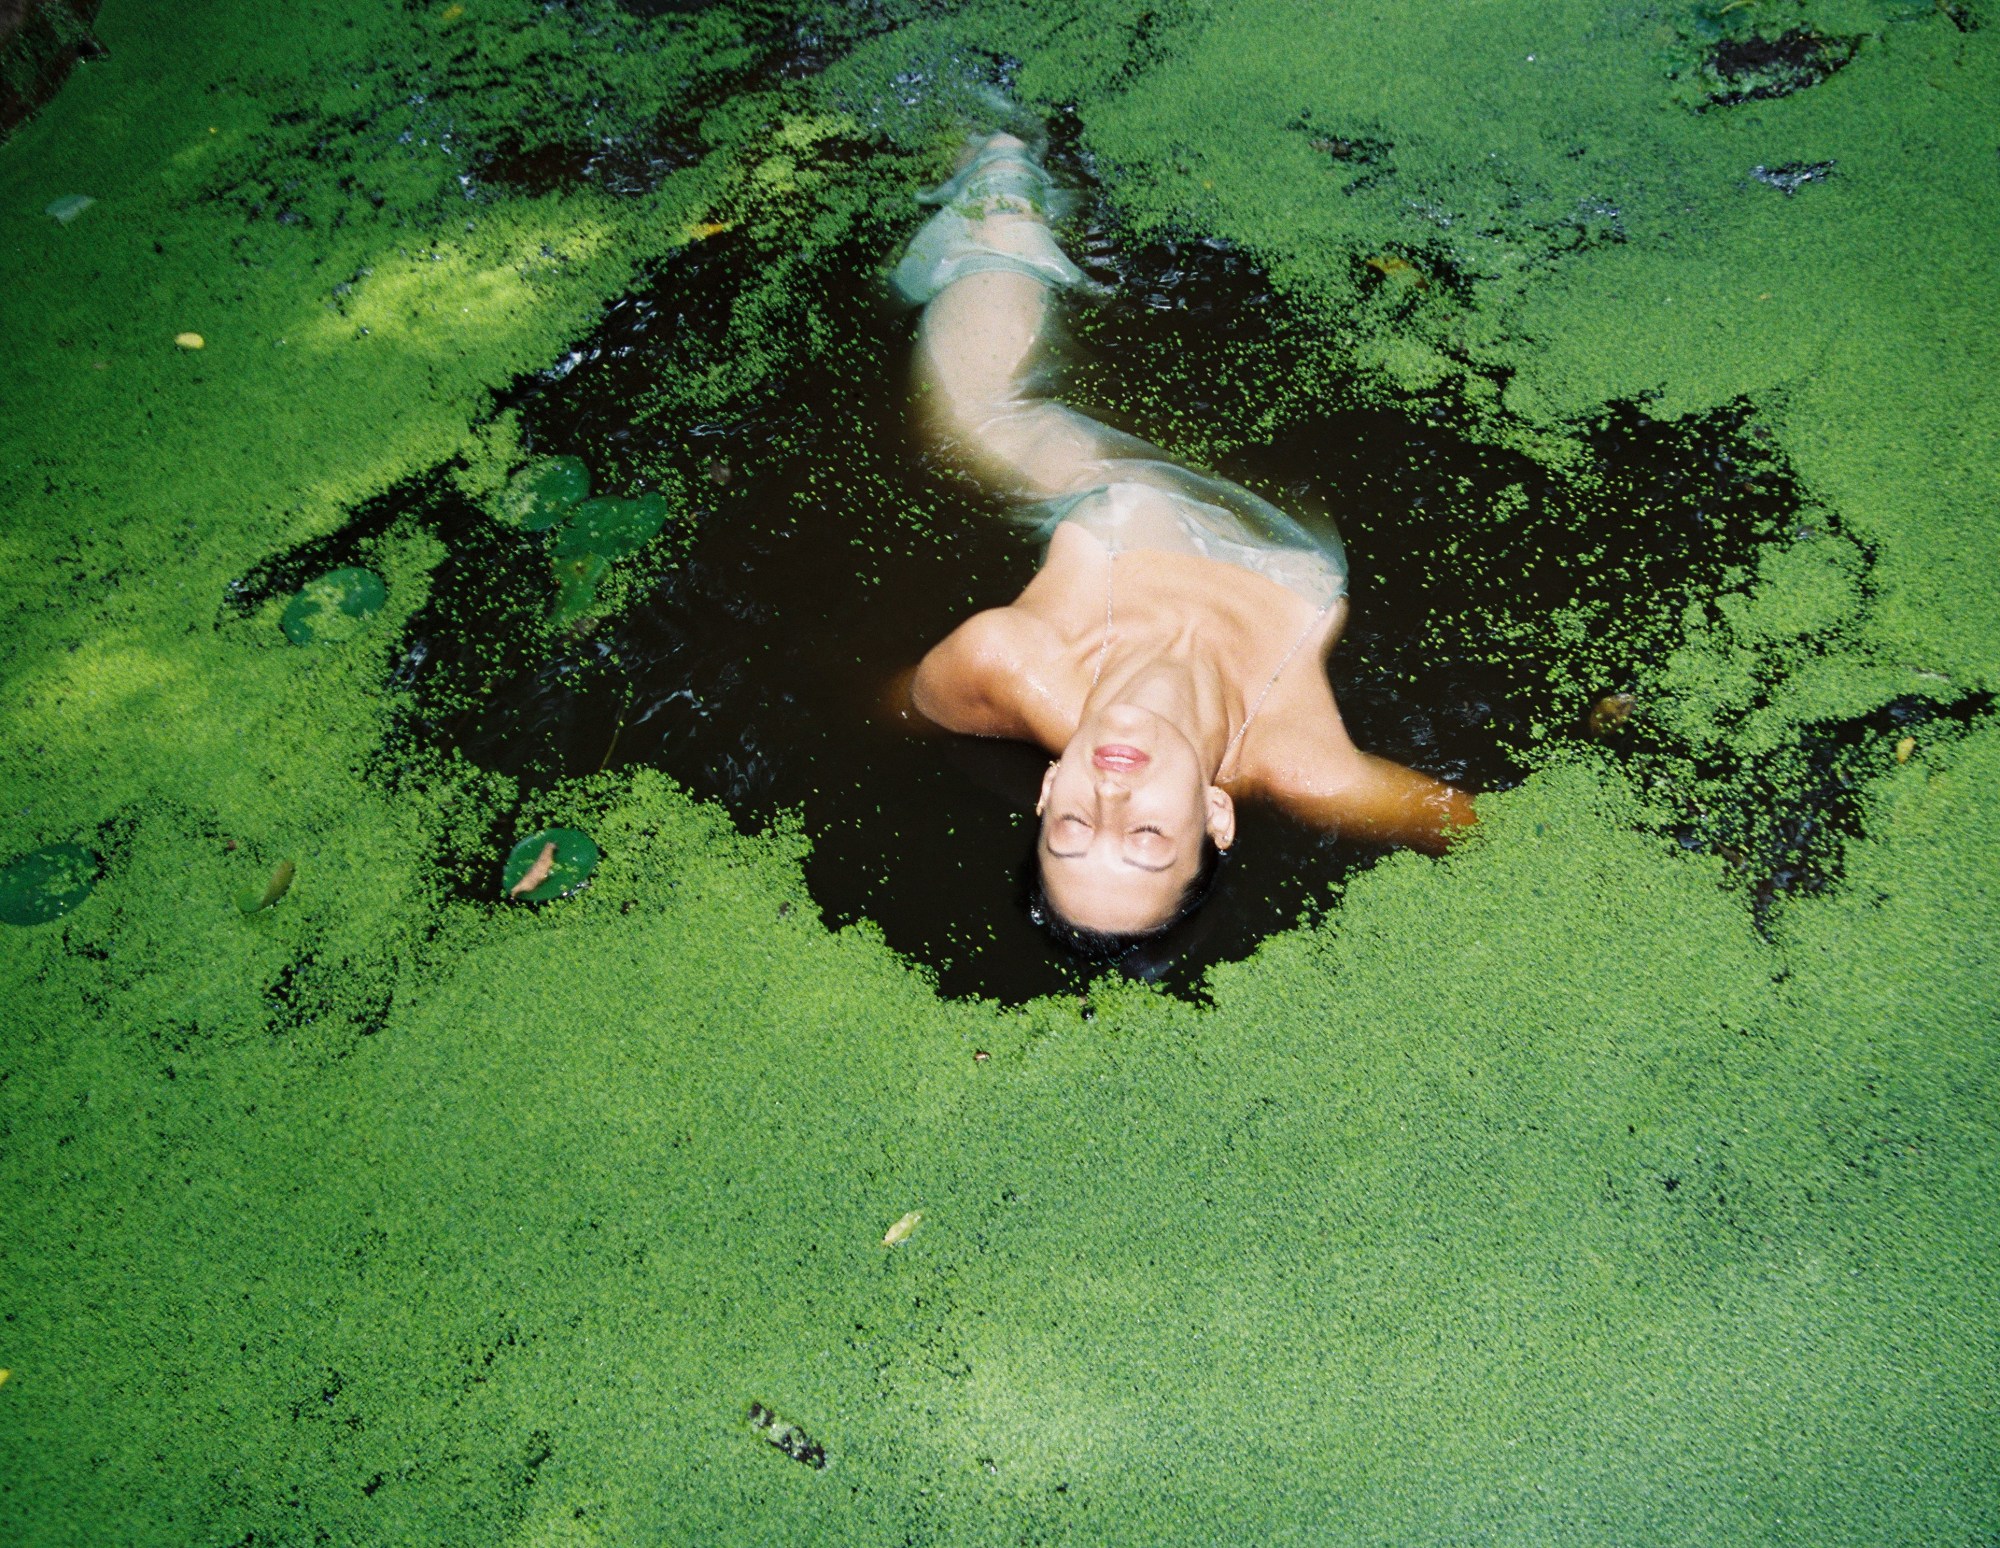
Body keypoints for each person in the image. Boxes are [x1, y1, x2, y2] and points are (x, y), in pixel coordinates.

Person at [888, 129, 1474, 949]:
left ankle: (997, 172)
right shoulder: (1301, 759)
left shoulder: (1007, 661)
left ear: (1048, 789)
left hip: (1110, 487)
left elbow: (897, 708)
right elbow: (1497, 836)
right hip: (1294, 481)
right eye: (1148, 840)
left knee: (972, 420)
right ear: (1215, 816)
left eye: (1072, 833)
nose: (1110, 805)